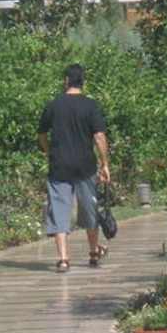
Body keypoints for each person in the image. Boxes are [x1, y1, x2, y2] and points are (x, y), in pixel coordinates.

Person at [37, 62, 111, 273]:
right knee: (89, 209)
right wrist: (105, 163)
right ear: (82, 82)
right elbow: (99, 136)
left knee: (59, 211)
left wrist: (48, 151)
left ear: (66, 81)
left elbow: (41, 134)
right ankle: (93, 253)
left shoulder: (53, 105)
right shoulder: (90, 106)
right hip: (85, 166)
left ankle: (63, 259)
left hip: (59, 166)